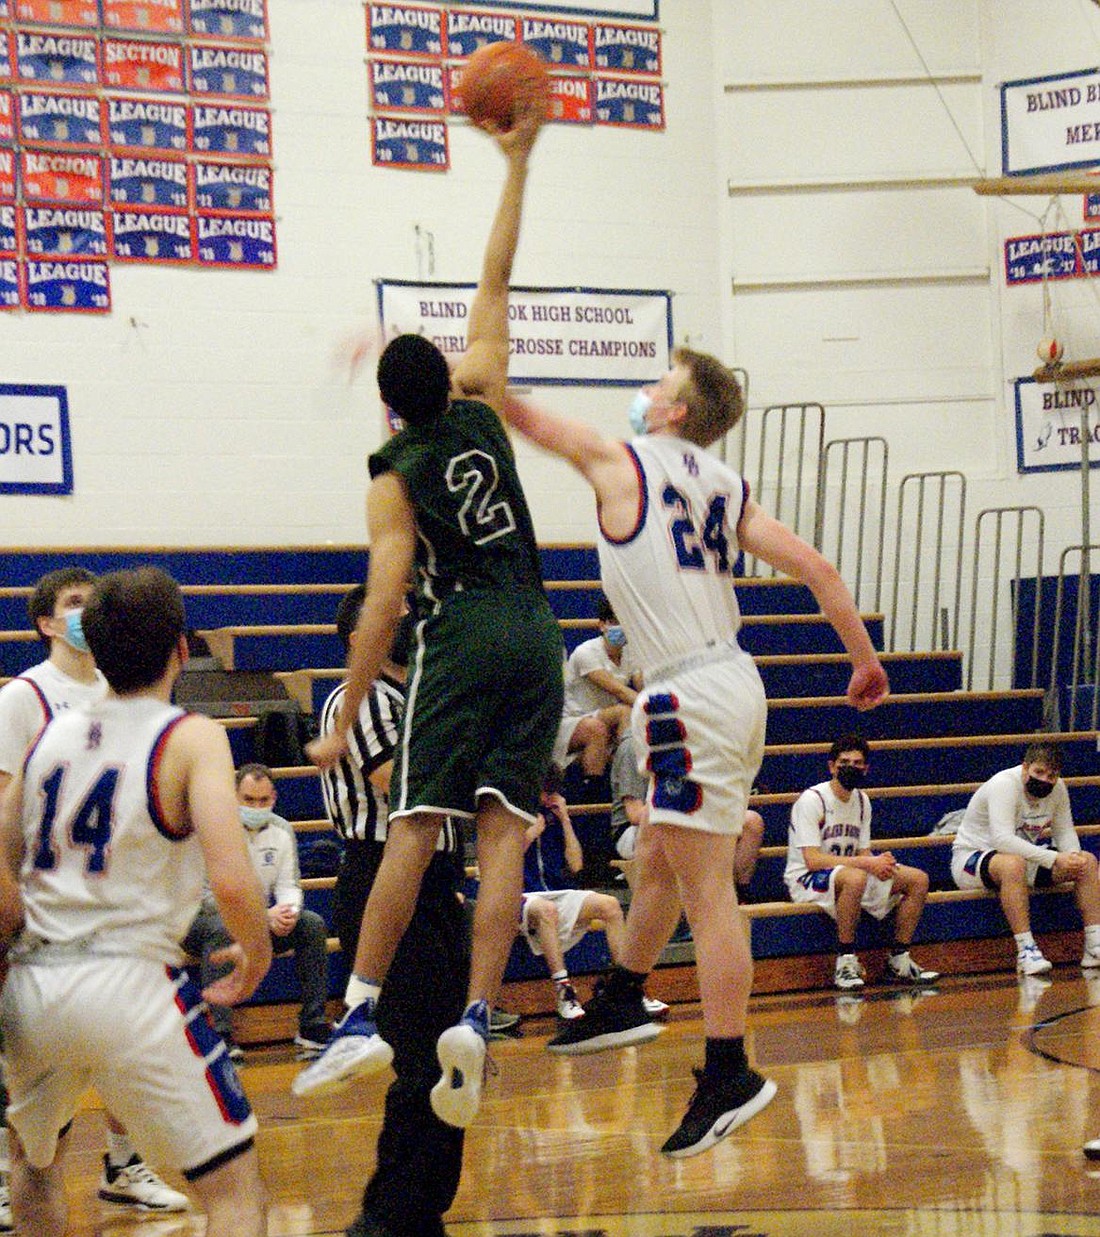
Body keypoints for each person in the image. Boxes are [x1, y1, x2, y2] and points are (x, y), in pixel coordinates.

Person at [500, 347, 890, 1157]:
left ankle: (728, 1070)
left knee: (706, 888)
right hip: (736, 683)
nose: (642, 396)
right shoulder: (724, 484)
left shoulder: (625, 458)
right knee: (662, 862)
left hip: (685, 692)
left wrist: (472, 385)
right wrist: (862, 658)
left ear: (676, 411)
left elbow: (528, 419)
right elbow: (817, 568)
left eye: (656, 386)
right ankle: (622, 995)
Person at [294, 93, 562, 1133]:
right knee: (503, 837)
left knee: (414, 826)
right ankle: (479, 1015)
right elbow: (494, 275)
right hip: (538, 629)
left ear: (386, 403)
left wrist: (345, 708)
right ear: (444, 379)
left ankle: (357, 1013)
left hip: (461, 635)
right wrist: (516, 162)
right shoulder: (484, 394)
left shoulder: (393, 470)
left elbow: (384, 603)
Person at [0, 567, 272, 1237]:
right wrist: (257, 948)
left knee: (34, 1169)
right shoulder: (191, 735)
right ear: (183, 649)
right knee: (235, 1190)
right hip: (130, 983)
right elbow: (232, 879)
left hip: (35, 983)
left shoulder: (48, 737)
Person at [0, 567, 190, 1223]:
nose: (85, 613)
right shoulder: (24, 696)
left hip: (119, 898)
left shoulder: (124, 691)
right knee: (33, 1074)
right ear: (47, 622)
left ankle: (124, 1163)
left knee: (121, 1044)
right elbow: (4, 808)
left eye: (92, 604)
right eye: (71, 604)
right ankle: (10, 1173)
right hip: (42, 907)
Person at [298, 585, 469, 1237]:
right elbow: (404, 784)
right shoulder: (359, 696)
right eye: (397, 609)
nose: (412, 614)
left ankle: (421, 1205)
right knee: (422, 1056)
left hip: (434, 880)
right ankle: (390, 1211)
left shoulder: (416, 694)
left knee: (455, 1054)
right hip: (384, 880)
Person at [183, 762, 331, 1061]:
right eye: (249, 800)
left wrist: (287, 913)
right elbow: (209, 899)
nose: (256, 806)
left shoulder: (282, 830)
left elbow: (289, 883)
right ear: (233, 797)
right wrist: (264, 917)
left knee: (311, 924)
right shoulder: (211, 830)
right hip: (199, 922)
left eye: (263, 801)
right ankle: (221, 1034)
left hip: (257, 921)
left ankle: (312, 1026)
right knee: (222, 928)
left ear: (274, 797)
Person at [785, 734, 940, 991]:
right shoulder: (813, 800)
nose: (851, 767)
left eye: (857, 763)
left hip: (846, 873)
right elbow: (812, 860)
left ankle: (898, 959)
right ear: (832, 766)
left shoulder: (862, 800)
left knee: (917, 879)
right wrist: (866, 864)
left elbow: (863, 851)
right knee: (855, 877)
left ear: (866, 768)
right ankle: (845, 961)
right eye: (844, 762)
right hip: (806, 878)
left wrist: (881, 862)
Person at [520, 765, 666, 1021]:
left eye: (551, 792)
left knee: (610, 905)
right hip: (520, 895)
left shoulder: (554, 814)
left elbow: (576, 865)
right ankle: (564, 992)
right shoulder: (515, 813)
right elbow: (499, 864)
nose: (547, 798)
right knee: (546, 910)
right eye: (544, 792)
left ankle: (628, 990)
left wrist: (565, 821)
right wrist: (530, 835)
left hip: (556, 891)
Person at [952, 740, 1100, 977]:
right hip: (972, 860)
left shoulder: (1058, 788)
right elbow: (1002, 840)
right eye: (1038, 772)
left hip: (1023, 859)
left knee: (1087, 861)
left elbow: (1064, 831)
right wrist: (1054, 858)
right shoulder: (1004, 784)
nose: (1044, 780)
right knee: (1013, 863)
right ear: (1025, 768)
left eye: (1051, 776)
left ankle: (1094, 944)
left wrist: (1072, 858)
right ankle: (1026, 950)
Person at [611, 732, 764, 903]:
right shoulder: (633, 748)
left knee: (751, 821)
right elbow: (635, 814)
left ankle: (737, 894)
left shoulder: (691, 742)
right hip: (635, 830)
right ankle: (700, 898)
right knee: (686, 831)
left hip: (685, 815)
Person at [554, 597, 638, 777]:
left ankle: (629, 778)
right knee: (620, 715)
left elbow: (642, 685)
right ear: (602, 625)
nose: (620, 628)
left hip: (602, 717)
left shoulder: (631, 653)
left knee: (637, 717)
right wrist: (651, 706)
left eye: (624, 622)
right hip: (572, 720)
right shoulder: (586, 652)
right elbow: (618, 690)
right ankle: (625, 779)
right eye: (614, 622)